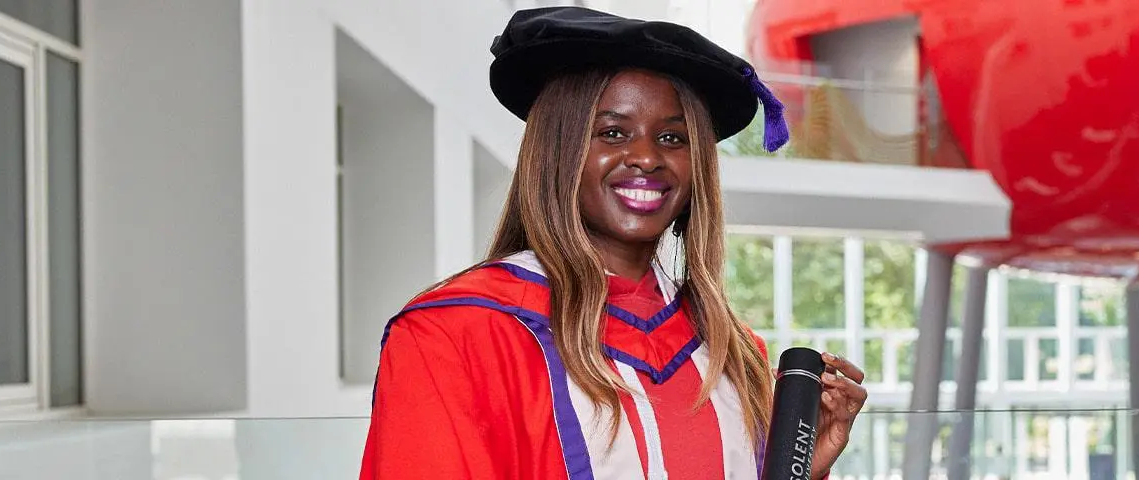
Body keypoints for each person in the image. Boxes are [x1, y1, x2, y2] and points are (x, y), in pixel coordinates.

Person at [360, 7, 867, 479]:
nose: (646, 157)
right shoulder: (458, 331)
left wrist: (798, 467)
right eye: (612, 132)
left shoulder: (729, 350)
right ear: (556, 153)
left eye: (672, 138)